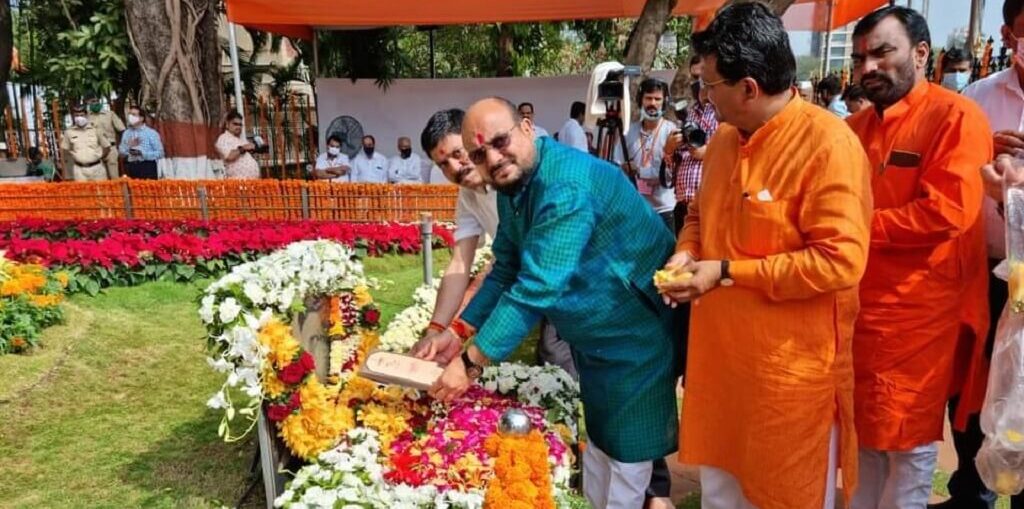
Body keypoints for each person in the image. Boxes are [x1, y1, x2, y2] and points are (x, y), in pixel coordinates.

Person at [658, 4, 872, 508]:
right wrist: (686, 255)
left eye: (710, 86)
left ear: (748, 88)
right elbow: (698, 217)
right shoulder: (726, 140)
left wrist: (728, 272)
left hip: (785, 382)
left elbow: (839, 262)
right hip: (721, 371)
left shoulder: (828, 144)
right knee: (721, 495)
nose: (704, 96)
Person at [421, 97, 680, 509]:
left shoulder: (564, 185)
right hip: (595, 337)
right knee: (598, 447)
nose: (492, 157)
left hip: (635, 333)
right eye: (479, 153)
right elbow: (505, 266)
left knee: (628, 464)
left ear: (526, 127)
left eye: (500, 141)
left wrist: (469, 365)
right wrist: (458, 331)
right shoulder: (513, 184)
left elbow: (536, 287)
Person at [845, 6, 992, 509]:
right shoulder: (855, 128)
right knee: (862, 443)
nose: (868, 67)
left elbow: (947, 212)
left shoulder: (957, 117)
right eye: (861, 56)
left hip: (921, 315)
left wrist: (853, 229)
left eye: (883, 52)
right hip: (858, 313)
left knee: (907, 450)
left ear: (921, 54)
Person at [933, 2, 1024, 508]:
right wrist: (981, 154)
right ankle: (972, 489)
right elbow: (951, 173)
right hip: (984, 270)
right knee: (972, 386)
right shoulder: (977, 100)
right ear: (1008, 33)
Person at [615, 78, 677, 231]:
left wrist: (640, 171)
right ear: (640, 100)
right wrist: (623, 169)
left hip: (665, 210)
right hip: (637, 209)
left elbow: (671, 175)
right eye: (648, 98)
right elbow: (616, 163)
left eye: (658, 99)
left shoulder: (672, 131)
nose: (653, 103)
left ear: (664, 102)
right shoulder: (630, 132)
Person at [665, 80, 718, 234]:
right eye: (695, 79)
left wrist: (709, 152)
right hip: (683, 204)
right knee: (683, 253)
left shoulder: (722, 113)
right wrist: (669, 150)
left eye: (702, 81)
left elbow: (735, 148)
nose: (697, 85)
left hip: (709, 203)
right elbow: (672, 168)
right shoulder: (688, 116)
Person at [61, 104, 113, 182]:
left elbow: (107, 147)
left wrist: (98, 157)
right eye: (77, 115)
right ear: (73, 117)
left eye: (82, 115)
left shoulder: (95, 129)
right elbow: (65, 149)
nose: (79, 118)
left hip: (97, 168)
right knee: (84, 193)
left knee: (101, 193)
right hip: (79, 170)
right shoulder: (69, 132)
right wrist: (76, 156)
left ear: (86, 115)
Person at [85, 93, 125, 179]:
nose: (95, 103)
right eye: (92, 101)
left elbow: (122, 130)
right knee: (100, 179)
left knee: (114, 177)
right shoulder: (87, 118)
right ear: (88, 103)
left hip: (111, 148)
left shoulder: (110, 114)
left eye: (97, 101)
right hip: (96, 150)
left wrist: (122, 145)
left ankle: (117, 192)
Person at [118, 105, 164, 180]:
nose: (130, 117)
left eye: (133, 115)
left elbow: (160, 153)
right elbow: (121, 153)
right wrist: (129, 146)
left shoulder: (151, 133)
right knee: (134, 191)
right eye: (129, 114)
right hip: (131, 167)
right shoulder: (126, 133)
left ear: (141, 118)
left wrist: (142, 154)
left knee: (149, 191)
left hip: (147, 166)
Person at [216, 111, 260, 179]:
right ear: (227, 124)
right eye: (235, 124)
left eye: (240, 125)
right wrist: (243, 148)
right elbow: (228, 156)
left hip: (250, 182)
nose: (238, 127)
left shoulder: (240, 140)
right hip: (237, 182)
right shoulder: (223, 138)